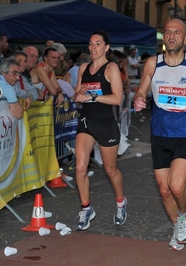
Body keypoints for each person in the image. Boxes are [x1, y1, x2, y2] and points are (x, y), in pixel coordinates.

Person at [134, 18, 186, 251]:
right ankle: (178, 226)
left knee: (177, 187)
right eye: (167, 32)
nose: (171, 36)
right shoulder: (152, 63)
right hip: (159, 133)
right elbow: (141, 90)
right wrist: (139, 98)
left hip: (185, 132)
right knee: (163, 189)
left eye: (176, 32)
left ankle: (183, 214)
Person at [73, 30, 127, 231]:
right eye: (90, 44)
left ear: (106, 47)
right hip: (87, 122)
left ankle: (121, 202)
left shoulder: (111, 68)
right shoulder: (83, 68)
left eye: (97, 44)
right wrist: (80, 94)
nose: (93, 48)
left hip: (106, 123)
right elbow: (76, 95)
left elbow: (117, 98)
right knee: (80, 167)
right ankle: (86, 208)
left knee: (110, 169)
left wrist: (93, 97)